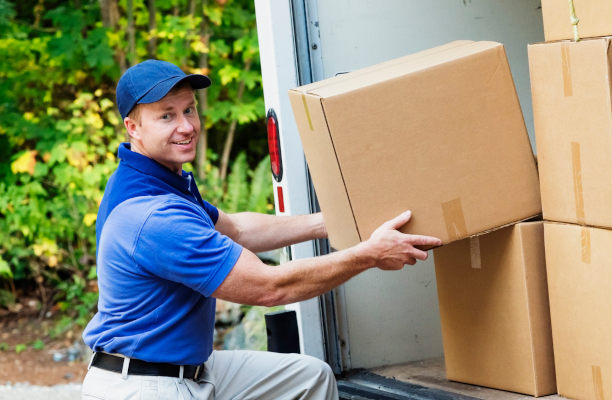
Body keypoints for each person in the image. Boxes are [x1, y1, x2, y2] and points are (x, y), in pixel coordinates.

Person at [81, 60, 442, 400]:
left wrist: (333, 224)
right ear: (133, 128)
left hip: (191, 367)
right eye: (166, 116)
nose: (187, 126)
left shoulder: (155, 181)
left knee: (309, 377)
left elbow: (236, 228)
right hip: (147, 385)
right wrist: (370, 255)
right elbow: (270, 287)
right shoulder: (154, 217)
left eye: (189, 109)